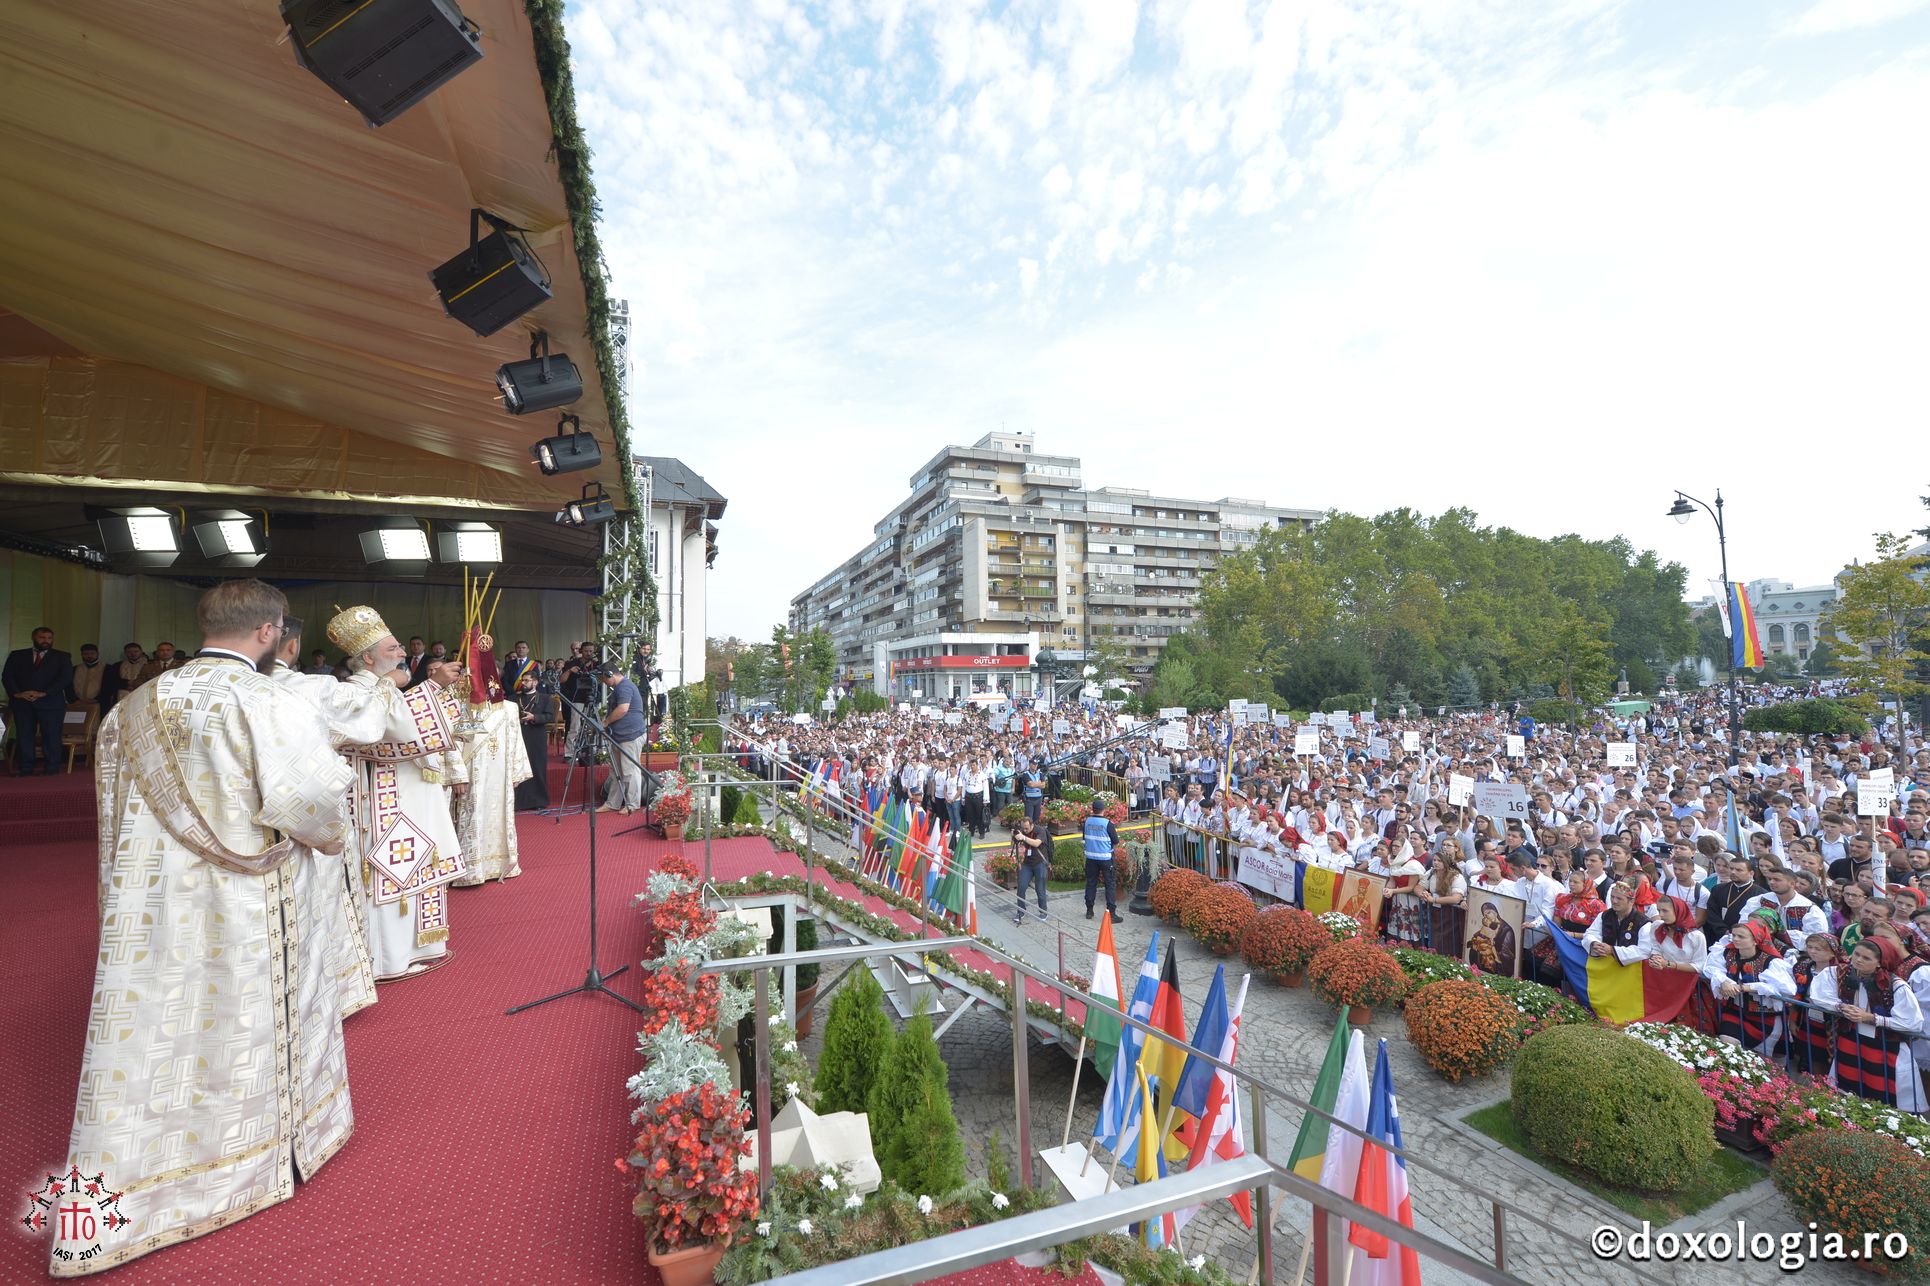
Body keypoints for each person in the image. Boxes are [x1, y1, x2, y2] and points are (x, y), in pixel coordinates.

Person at [56, 580, 354, 1277]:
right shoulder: (268, 702)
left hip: (150, 911)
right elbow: (309, 805)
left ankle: (144, 1180)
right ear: (270, 630)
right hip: (241, 906)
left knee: (157, 1030)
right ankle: (250, 1158)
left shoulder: (127, 711)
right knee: (240, 1022)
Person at [329, 607, 470, 982]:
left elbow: (430, 730)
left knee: (419, 862)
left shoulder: (387, 689)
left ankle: (421, 948)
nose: (402, 653)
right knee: (390, 870)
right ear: (369, 657)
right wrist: (426, 687)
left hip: (411, 794)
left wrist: (438, 688)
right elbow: (397, 736)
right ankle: (388, 958)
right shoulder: (351, 692)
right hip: (377, 799)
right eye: (393, 648)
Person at [454, 631, 533, 883]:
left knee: (498, 814)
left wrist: (515, 772)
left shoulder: (509, 708)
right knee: (469, 815)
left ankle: (501, 863)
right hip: (468, 776)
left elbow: (516, 741)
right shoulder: (456, 705)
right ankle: (466, 869)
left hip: (499, 776)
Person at [1812, 936, 1926, 1109]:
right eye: (1857, 954)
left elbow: (1912, 1023)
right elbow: (1818, 995)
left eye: (1866, 958)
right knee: (1847, 1088)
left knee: (1883, 1094)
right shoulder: (1839, 973)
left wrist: (1872, 1018)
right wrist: (1841, 1006)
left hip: (1884, 1047)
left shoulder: (1895, 986)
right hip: (1851, 1040)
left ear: (1879, 963)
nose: (1858, 960)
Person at [4, 625, 72, 775]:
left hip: (51, 702)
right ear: (34, 638)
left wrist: (44, 693)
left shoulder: (62, 656)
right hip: (23, 702)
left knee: (51, 735)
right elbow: (7, 676)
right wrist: (17, 693)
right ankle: (26, 767)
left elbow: (65, 678)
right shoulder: (17, 655)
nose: (46, 641)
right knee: (24, 735)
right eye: (42, 637)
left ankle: (52, 767)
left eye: (49, 638)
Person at [598, 664, 648, 814]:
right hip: (621, 735)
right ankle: (613, 803)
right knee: (617, 771)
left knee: (630, 770)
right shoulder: (622, 687)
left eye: (604, 679)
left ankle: (632, 804)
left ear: (609, 674)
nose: (604, 682)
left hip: (630, 735)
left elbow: (623, 709)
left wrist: (606, 722)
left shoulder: (624, 687)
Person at [515, 667, 555, 811]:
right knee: (519, 768)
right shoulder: (515, 698)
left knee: (537, 768)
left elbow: (550, 717)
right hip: (519, 736)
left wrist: (534, 717)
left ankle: (538, 801)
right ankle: (519, 802)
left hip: (536, 737)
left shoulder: (544, 698)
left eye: (527, 680)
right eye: (522, 680)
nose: (523, 683)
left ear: (535, 682)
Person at [1082, 806, 1122, 922]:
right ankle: (1111, 914)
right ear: (1103, 810)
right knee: (1110, 885)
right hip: (1105, 858)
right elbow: (1115, 841)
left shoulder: (1087, 822)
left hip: (1090, 858)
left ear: (1093, 809)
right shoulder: (1107, 823)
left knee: (1090, 883)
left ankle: (1089, 911)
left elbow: (1085, 838)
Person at [1013, 814, 1048, 923]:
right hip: (1027, 863)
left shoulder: (1040, 831)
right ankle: (1021, 910)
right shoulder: (1022, 830)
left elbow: (1036, 843)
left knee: (1040, 888)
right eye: (1023, 828)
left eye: (1027, 828)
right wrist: (1014, 836)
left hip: (1040, 863)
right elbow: (1015, 844)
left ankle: (1043, 911)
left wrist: (1023, 837)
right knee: (1021, 887)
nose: (1025, 830)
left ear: (1032, 825)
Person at [67, 642, 111, 709]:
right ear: (81, 655)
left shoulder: (107, 668)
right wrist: (75, 699)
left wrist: (97, 699)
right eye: (86, 654)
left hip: (99, 703)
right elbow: (69, 686)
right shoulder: (75, 669)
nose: (89, 656)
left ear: (97, 654)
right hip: (77, 703)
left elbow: (109, 687)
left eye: (92, 653)